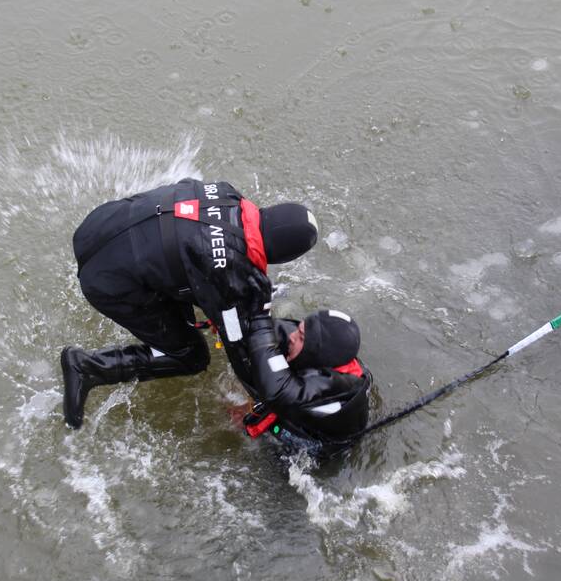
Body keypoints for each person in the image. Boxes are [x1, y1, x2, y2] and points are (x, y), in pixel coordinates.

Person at [62, 178, 318, 429]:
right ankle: (89, 367)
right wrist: (268, 403)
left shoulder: (226, 192)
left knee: (181, 262)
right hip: (105, 282)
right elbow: (240, 350)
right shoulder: (231, 274)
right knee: (192, 356)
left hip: (98, 226)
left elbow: (200, 242)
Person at [242, 308, 373, 455]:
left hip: (312, 446)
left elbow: (278, 392)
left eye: (301, 337)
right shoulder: (331, 354)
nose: (292, 337)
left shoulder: (338, 387)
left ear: (318, 352)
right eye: (299, 330)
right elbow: (274, 330)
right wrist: (252, 319)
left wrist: (260, 338)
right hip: (299, 405)